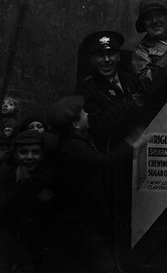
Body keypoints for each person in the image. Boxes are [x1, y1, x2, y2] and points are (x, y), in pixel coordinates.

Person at [46, 96, 129, 273]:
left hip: (78, 221)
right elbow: (105, 161)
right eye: (83, 112)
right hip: (80, 223)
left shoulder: (72, 143)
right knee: (104, 266)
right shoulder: (74, 147)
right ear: (75, 125)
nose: (87, 114)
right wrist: (132, 143)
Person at [76, 31, 143, 151]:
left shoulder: (133, 79)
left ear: (118, 57)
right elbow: (97, 127)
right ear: (91, 59)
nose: (106, 59)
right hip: (112, 154)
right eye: (100, 55)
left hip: (141, 148)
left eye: (110, 54)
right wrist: (126, 104)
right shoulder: (87, 89)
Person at [0, 130, 56, 273]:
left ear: (42, 154)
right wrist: (19, 185)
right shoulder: (6, 175)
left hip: (35, 244)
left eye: (35, 152)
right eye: (23, 152)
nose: (29, 157)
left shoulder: (47, 176)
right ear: (15, 153)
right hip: (7, 242)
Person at [132, 0, 167, 109]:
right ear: (144, 24)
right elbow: (145, 83)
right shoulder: (141, 51)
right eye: (148, 18)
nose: (155, 21)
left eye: (158, 15)